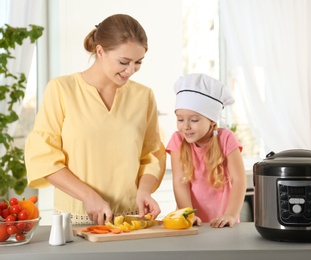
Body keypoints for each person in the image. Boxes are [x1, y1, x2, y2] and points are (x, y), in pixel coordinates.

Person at [25, 14, 166, 225]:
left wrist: (145, 191)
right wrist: (88, 196)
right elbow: (43, 157)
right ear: (100, 51)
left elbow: (152, 155)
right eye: (124, 62)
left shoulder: (143, 96)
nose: (131, 70)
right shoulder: (62, 90)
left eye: (138, 62)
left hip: (132, 220)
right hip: (75, 219)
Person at [166, 73, 246, 228]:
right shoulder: (178, 140)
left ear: (211, 121)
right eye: (180, 119)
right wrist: (187, 214)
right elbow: (179, 182)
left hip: (223, 222)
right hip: (191, 222)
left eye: (194, 120)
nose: (186, 126)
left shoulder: (226, 139)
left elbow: (239, 180)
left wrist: (230, 215)